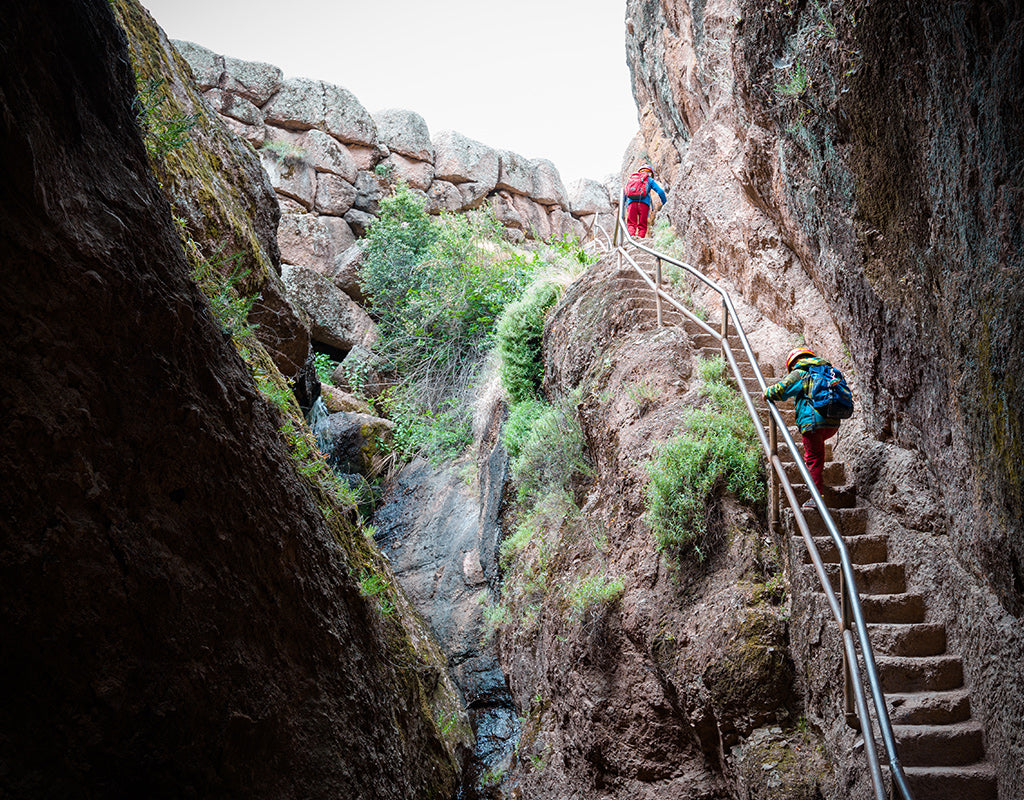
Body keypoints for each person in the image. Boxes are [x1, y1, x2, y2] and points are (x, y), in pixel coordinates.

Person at [764, 347, 842, 510]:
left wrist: (767, 392)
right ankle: (817, 492)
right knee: (817, 454)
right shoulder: (826, 370)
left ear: (793, 363)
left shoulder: (800, 372)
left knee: (813, 458)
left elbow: (781, 390)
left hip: (812, 422)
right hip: (832, 422)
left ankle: (816, 497)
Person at [623, 164, 667, 239]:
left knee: (631, 223)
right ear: (650, 173)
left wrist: (623, 204)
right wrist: (665, 204)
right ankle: (640, 240)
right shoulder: (649, 180)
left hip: (631, 203)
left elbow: (625, 192)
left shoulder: (632, 179)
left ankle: (631, 238)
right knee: (642, 225)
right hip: (644, 204)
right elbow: (660, 192)